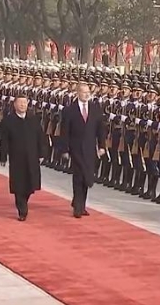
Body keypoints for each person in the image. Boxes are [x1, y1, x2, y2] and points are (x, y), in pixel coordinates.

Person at [60, 82, 106, 218]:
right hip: (76, 148)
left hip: (90, 149)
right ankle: (78, 208)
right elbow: (65, 131)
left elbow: (101, 129)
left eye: (88, 92)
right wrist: (64, 149)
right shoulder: (70, 110)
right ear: (78, 93)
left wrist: (102, 146)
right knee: (78, 177)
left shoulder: (95, 108)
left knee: (87, 177)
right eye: (84, 92)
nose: (86, 95)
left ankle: (80, 204)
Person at [0, 95, 47, 221]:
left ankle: (24, 200)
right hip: (17, 158)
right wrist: (3, 157)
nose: (22, 105)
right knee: (19, 185)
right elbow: (4, 141)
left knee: (30, 185)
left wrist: (42, 153)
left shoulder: (33, 119)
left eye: (24, 103)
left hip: (32, 157)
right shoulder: (8, 121)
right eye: (20, 103)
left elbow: (40, 137)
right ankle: (22, 210)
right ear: (15, 104)